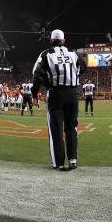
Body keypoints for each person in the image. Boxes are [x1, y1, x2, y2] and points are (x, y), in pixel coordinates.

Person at [32, 29, 86, 171]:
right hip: (73, 94)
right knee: (71, 128)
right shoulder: (74, 53)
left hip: (56, 94)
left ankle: (59, 163)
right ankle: (73, 160)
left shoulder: (46, 54)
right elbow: (84, 67)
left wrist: (34, 93)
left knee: (56, 129)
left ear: (51, 40)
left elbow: (36, 75)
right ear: (64, 40)